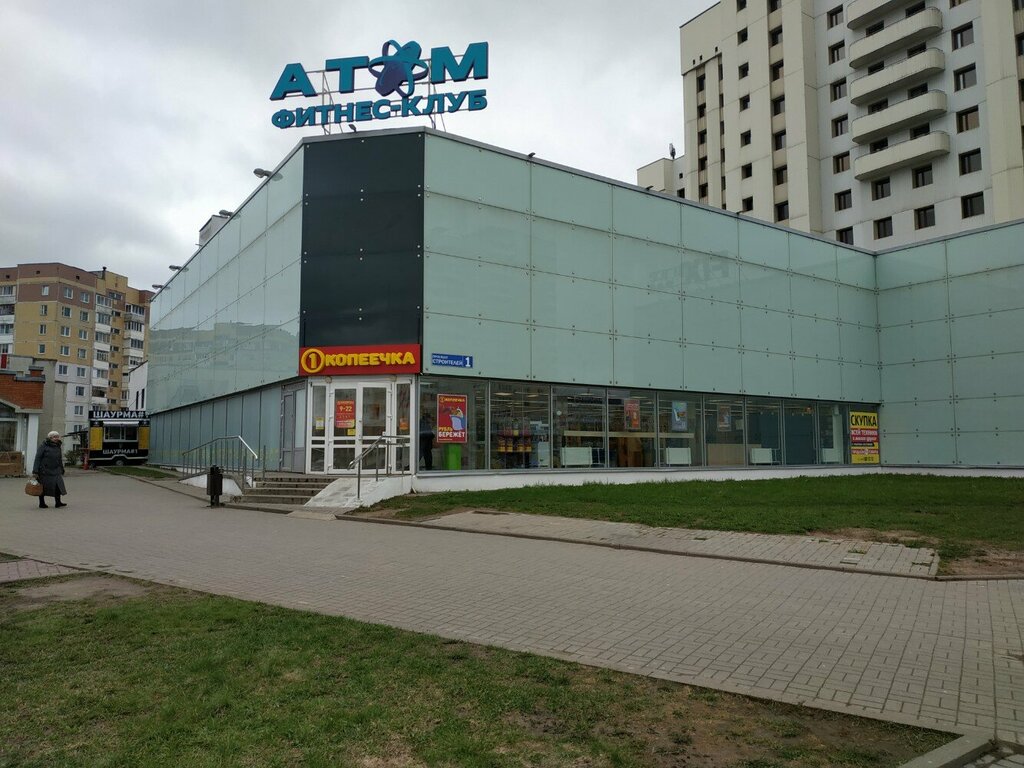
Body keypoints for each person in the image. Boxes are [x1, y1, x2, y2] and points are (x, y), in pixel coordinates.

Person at [32, 431, 67, 509]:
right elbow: (38, 458)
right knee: (43, 487)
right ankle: (42, 503)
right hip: (44, 471)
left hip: (56, 470)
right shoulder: (43, 446)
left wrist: (62, 468)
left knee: (58, 486)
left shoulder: (58, 446)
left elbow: (59, 459)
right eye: (54, 437)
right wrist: (35, 470)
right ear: (50, 438)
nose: (56, 438)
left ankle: (58, 502)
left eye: (57, 437)